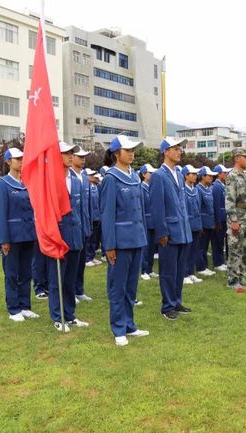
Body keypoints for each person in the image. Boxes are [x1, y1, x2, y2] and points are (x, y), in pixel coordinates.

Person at [100, 136, 149, 346]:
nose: (132, 153)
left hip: (136, 239)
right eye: (127, 150)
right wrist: (109, 245)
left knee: (131, 286)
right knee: (118, 287)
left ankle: (130, 325)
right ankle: (119, 328)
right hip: (120, 242)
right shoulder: (111, 179)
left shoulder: (135, 176)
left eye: (133, 150)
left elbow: (141, 211)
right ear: (116, 154)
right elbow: (107, 215)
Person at [47, 142, 89, 333]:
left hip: (75, 236)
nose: (71, 156)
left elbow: (80, 210)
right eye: (66, 153)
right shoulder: (51, 180)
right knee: (57, 279)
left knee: (70, 280)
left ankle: (70, 315)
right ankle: (58, 316)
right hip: (59, 237)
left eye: (72, 153)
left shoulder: (76, 179)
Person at [0, 148, 40, 322]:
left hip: (28, 234)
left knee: (26, 272)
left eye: (22, 158)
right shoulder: (2, 184)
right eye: (17, 159)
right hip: (12, 237)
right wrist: (4, 239)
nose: (21, 161)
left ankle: (25, 305)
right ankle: (13, 308)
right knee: (12, 273)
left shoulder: (26, 182)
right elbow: (0, 214)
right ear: (8, 162)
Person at [150, 137, 193, 321]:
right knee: (168, 271)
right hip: (169, 232)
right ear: (165, 152)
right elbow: (157, 207)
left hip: (182, 230)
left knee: (179, 270)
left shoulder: (179, 174)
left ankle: (176, 301)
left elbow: (181, 204)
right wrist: (162, 232)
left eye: (180, 148)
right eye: (175, 148)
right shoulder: (159, 176)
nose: (179, 151)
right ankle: (167, 306)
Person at [225, 148, 246, 292]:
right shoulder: (232, 176)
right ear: (237, 158)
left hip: (245, 218)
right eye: (245, 157)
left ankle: (241, 277)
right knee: (235, 250)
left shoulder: (245, 175)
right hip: (236, 219)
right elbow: (230, 200)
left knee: (245, 250)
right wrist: (234, 220)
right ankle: (233, 280)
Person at [71, 147, 93, 304]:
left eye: (84, 156)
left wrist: (89, 224)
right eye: (80, 156)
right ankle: (70, 291)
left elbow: (89, 204)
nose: (83, 159)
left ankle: (79, 289)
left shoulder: (85, 178)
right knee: (72, 262)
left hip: (84, 225)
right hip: (72, 227)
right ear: (71, 157)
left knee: (81, 261)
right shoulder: (68, 176)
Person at [181, 164, 203, 285]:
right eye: (192, 174)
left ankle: (191, 272)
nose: (195, 176)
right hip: (187, 225)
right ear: (186, 175)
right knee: (186, 251)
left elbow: (198, 208)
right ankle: (184, 274)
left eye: (196, 174)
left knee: (194, 250)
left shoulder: (196, 190)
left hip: (196, 225)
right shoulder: (183, 190)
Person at [196, 166, 217, 277]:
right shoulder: (199, 189)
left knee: (205, 246)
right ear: (203, 177)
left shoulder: (208, 189)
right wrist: (200, 225)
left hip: (210, 222)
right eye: (209, 176)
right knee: (201, 247)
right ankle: (201, 267)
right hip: (203, 223)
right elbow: (198, 209)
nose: (211, 178)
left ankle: (205, 266)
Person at [139, 163, 159, 280]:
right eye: (150, 173)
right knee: (145, 248)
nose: (152, 175)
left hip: (153, 221)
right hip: (145, 221)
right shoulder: (141, 188)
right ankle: (143, 270)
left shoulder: (152, 187)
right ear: (143, 174)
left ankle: (150, 269)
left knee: (152, 247)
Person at [211, 164, 231, 272]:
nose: (226, 174)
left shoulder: (222, 185)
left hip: (224, 218)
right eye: (224, 173)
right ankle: (217, 262)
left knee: (222, 241)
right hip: (220, 219)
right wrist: (218, 221)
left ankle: (221, 261)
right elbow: (217, 205)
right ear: (218, 174)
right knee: (217, 241)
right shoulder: (216, 186)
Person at [86, 170, 103, 266]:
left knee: (94, 239)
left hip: (97, 217)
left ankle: (92, 256)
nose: (93, 177)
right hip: (90, 217)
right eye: (91, 175)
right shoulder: (86, 188)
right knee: (89, 238)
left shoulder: (96, 187)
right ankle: (87, 258)